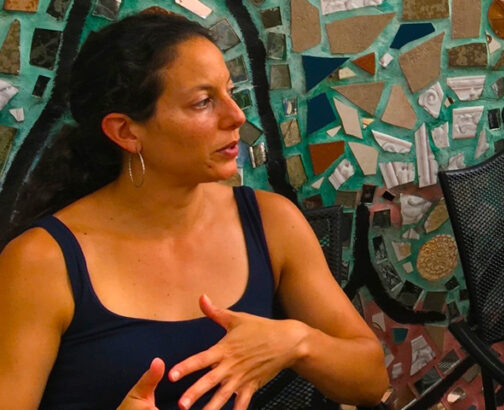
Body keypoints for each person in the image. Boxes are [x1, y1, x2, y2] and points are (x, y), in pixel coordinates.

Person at [0, 13, 388, 409]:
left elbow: (370, 381)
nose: (236, 116)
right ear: (126, 132)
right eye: (203, 102)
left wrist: (297, 342)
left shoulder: (272, 222)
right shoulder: (42, 261)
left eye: (230, 91)